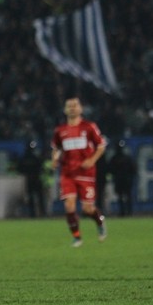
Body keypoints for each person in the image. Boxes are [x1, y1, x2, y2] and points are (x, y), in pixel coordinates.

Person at [51, 97, 107, 246]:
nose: (72, 108)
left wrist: (92, 160)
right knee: (69, 205)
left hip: (85, 173)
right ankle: (77, 237)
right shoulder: (60, 131)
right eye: (69, 106)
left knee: (87, 209)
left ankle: (100, 222)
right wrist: (55, 159)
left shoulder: (89, 127)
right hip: (67, 172)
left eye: (75, 105)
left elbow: (101, 145)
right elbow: (56, 148)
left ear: (81, 109)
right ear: (65, 110)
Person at [16, 141, 46, 218]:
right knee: (39, 197)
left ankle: (33, 213)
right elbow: (40, 168)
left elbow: (19, 169)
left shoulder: (24, 158)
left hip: (28, 180)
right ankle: (42, 212)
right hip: (36, 179)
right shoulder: (35, 157)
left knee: (32, 197)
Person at [107, 140, 136, 217]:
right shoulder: (124, 158)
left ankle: (126, 212)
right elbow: (133, 169)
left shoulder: (116, 158)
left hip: (122, 179)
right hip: (122, 179)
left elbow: (133, 169)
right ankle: (126, 212)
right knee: (123, 196)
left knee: (124, 196)